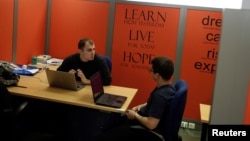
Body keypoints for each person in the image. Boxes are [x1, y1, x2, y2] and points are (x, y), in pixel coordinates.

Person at [95, 56, 176, 141]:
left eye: (151, 71)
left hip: (145, 130)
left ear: (158, 75)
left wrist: (135, 115)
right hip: (142, 118)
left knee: (104, 137)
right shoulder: (168, 88)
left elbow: (151, 124)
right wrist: (141, 106)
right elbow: (154, 105)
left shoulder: (160, 96)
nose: (150, 72)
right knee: (114, 122)